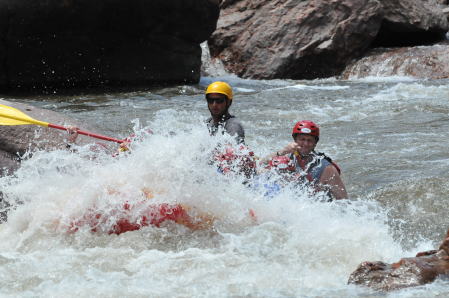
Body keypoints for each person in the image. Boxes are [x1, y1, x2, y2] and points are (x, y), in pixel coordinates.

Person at [261, 120, 348, 200]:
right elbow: (261, 164)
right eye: (302, 139)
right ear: (295, 140)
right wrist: (283, 151)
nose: (305, 144)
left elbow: (344, 201)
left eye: (309, 140)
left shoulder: (327, 168)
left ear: (315, 143)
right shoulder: (286, 158)